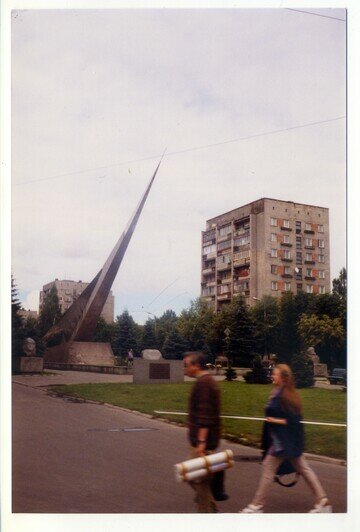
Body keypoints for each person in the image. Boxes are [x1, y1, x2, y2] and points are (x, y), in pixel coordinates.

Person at [240, 364, 332, 514]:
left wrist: (273, 420)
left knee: (269, 471)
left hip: (284, 443)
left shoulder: (285, 395)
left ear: (282, 377)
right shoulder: (279, 392)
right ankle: (323, 502)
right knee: (304, 469)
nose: (272, 375)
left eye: (275, 374)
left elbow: (293, 420)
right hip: (284, 441)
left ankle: (256, 506)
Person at [184, 352, 223, 512]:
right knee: (199, 480)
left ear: (196, 366)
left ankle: (208, 511)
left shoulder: (204, 384)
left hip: (203, 444)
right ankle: (210, 508)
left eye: (187, 365)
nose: (185, 369)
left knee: (196, 479)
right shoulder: (205, 381)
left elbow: (205, 416)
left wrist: (201, 444)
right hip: (205, 442)